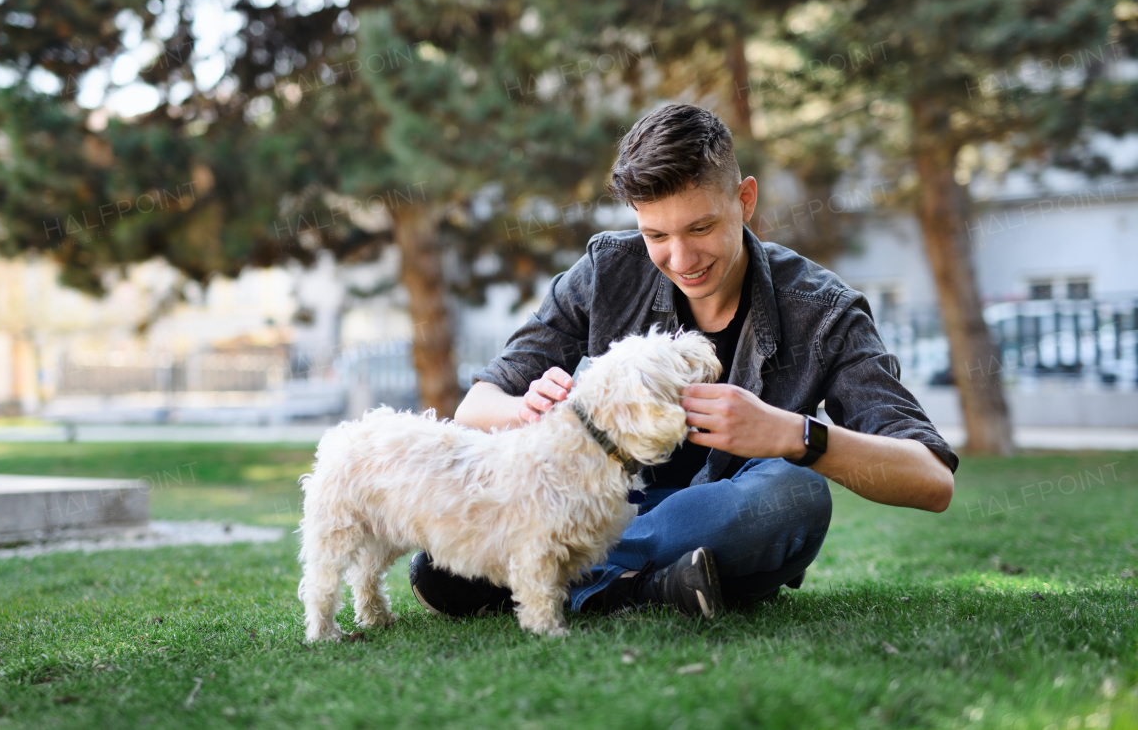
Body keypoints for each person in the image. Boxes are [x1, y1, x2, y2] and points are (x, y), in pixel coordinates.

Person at [409, 103, 957, 620]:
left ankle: (555, 571)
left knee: (796, 493)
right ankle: (644, 589)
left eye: (700, 228)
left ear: (745, 201)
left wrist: (795, 436)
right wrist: (524, 410)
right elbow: (476, 406)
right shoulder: (606, 271)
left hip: (722, 517)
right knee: (443, 564)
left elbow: (932, 480)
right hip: (599, 505)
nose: (681, 258)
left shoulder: (823, 309)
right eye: (656, 235)